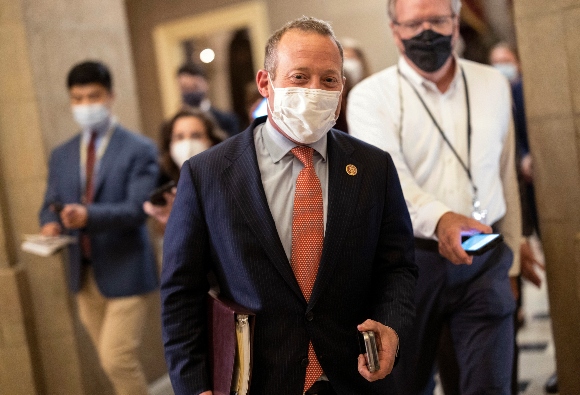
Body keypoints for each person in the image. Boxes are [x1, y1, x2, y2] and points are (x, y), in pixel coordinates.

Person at [161, 16, 417, 395]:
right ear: (266, 83)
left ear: (342, 87)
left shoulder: (372, 167)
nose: (316, 90)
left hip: (355, 377)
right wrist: (194, 385)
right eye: (299, 77)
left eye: (329, 79)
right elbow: (182, 292)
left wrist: (391, 324)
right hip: (259, 381)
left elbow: (398, 267)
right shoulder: (207, 174)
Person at [348, 0, 522, 394]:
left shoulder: (493, 83)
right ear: (395, 31)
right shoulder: (369, 97)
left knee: (490, 385)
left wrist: (511, 251)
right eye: (414, 23)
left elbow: (504, 172)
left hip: (483, 252)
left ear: (456, 24)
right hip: (408, 263)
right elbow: (391, 182)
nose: (427, 31)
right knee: (406, 384)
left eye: (438, 20)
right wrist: (443, 221)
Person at [39, 61, 159, 394]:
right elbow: (49, 204)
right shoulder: (62, 154)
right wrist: (49, 224)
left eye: (93, 96)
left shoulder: (139, 149)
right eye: (78, 98)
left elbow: (138, 209)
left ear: (111, 96)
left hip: (127, 268)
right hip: (84, 273)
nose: (86, 105)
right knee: (111, 362)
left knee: (116, 359)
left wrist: (87, 216)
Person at [489, 42, 553, 395]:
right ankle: (517, 308)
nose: (502, 69)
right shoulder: (503, 94)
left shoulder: (529, 90)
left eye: (507, 62)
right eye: (495, 63)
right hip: (509, 200)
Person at [143, 108, 226, 225]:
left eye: (195, 136)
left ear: (211, 142)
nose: (187, 144)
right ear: (170, 145)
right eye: (179, 137)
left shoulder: (227, 184)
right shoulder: (169, 187)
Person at [177, 62, 241, 137]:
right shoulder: (173, 126)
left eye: (195, 87)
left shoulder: (228, 121)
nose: (190, 92)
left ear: (206, 84)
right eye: (186, 88)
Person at [334, 38, 371, 134]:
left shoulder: (371, 91)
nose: (349, 64)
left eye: (352, 58)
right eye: (345, 59)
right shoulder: (338, 95)